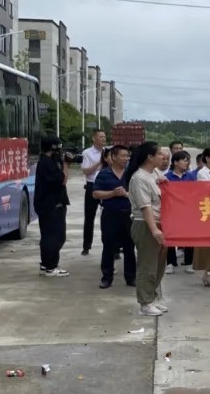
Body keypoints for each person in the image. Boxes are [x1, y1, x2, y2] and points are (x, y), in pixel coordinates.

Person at [127, 141, 168, 316]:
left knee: (159, 265)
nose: (162, 157)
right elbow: (146, 207)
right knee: (147, 265)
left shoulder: (155, 172)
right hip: (146, 225)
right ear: (150, 157)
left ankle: (152, 297)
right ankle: (145, 303)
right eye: (159, 154)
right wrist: (154, 230)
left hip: (161, 223)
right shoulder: (139, 178)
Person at [94, 145, 136, 289]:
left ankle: (131, 277)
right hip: (110, 214)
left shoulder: (131, 174)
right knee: (108, 246)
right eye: (123, 156)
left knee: (130, 246)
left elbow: (138, 193)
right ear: (114, 157)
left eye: (127, 156)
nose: (126, 158)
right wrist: (112, 193)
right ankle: (107, 277)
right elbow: (96, 193)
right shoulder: (104, 174)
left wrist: (127, 194)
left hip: (128, 214)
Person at [36, 135, 70, 277]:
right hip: (52, 206)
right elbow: (62, 180)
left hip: (46, 205)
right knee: (56, 237)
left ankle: (45, 264)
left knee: (47, 236)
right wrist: (66, 164)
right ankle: (51, 266)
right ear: (53, 148)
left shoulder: (44, 161)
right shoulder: (48, 163)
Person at [193, 147, 210, 288]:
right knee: (209, 245)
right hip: (207, 211)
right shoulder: (202, 173)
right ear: (207, 158)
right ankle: (208, 273)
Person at [165, 151, 196, 274]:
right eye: (184, 160)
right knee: (170, 237)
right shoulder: (167, 177)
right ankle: (170, 263)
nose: (186, 163)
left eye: (187, 160)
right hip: (171, 211)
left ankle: (189, 263)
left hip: (187, 211)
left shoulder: (190, 177)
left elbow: (195, 192)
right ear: (175, 162)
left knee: (189, 237)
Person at [80, 129, 107, 256]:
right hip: (92, 185)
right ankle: (86, 246)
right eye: (101, 137)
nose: (103, 139)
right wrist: (99, 163)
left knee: (109, 217)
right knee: (89, 217)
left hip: (107, 186)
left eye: (104, 137)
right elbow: (86, 171)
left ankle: (112, 247)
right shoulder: (87, 153)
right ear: (94, 138)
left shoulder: (108, 152)